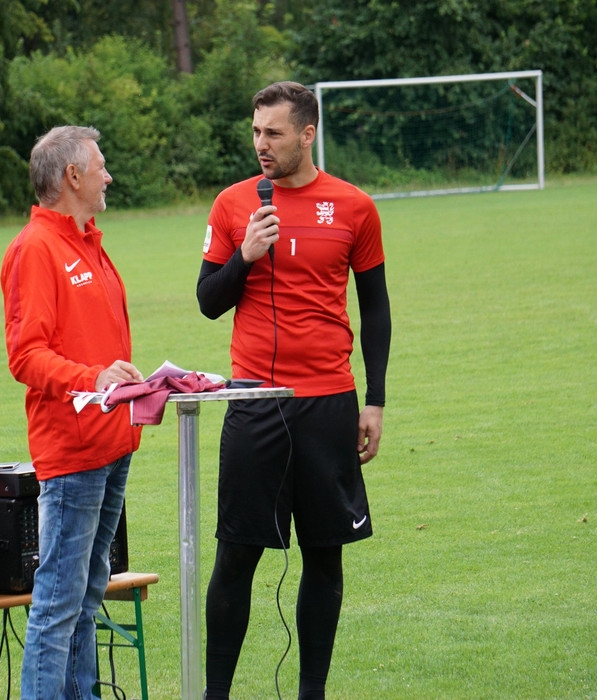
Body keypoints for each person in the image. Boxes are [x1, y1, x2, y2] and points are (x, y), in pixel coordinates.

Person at [197, 81, 392, 699]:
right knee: (235, 558)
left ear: (307, 134)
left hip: (329, 404)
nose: (261, 144)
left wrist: (376, 399)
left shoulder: (354, 207)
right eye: (256, 131)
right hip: (254, 401)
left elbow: (377, 310)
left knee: (325, 556)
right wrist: (246, 256)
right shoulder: (233, 206)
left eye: (274, 133)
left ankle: (312, 691)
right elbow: (208, 301)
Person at [0, 125, 144, 699]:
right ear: (72, 176)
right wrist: (94, 379)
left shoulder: (88, 241)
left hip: (113, 444)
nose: (109, 174)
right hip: (73, 451)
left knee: (89, 592)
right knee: (59, 602)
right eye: (101, 165)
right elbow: (27, 355)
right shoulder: (36, 249)